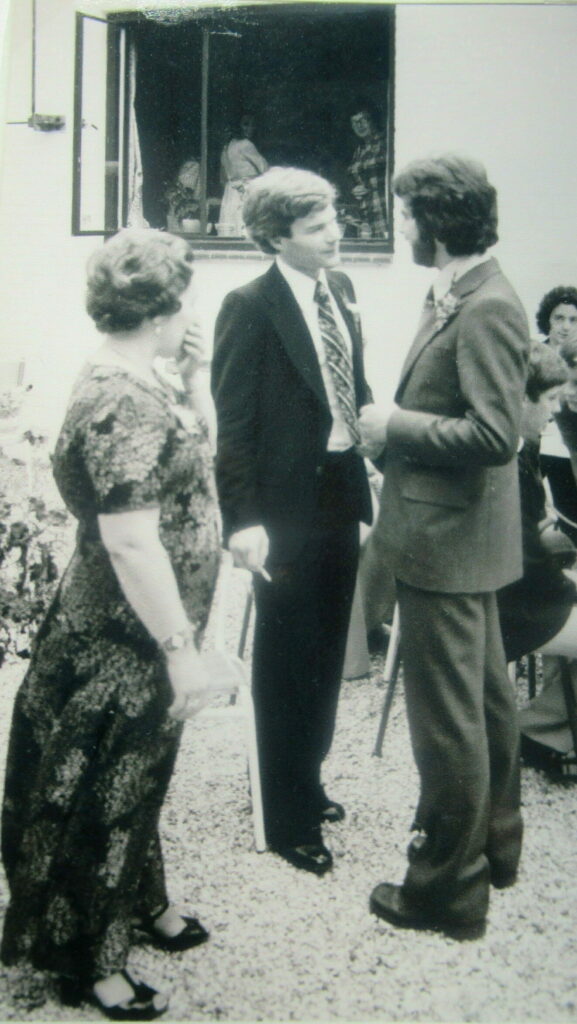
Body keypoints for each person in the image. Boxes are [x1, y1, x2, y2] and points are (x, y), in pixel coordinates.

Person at [1, 229, 221, 1019]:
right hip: (125, 635)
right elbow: (129, 542)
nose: (189, 315)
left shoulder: (139, 378)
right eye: (183, 302)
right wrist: (181, 650)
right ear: (160, 311)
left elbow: (199, 459)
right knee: (110, 786)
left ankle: (140, 900)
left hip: (141, 625)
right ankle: (89, 960)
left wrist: (194, 379)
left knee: (138, 771)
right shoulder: (121, 401)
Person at [359, 154, 530, 940]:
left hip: (445, 542)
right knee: (486, 705)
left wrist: (394, 425)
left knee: (447, 724)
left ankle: (446, 892)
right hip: (461, 537)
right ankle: (493, 849)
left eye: (406, 215)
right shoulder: (465, 291)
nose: (400, 227)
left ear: (435, 222)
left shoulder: (484, 305)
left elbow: (495, 436)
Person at [211, 166, 373, 874]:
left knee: (328, 649)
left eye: (333, 217)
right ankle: (282, 815)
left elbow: (352, 385)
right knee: (285, 658)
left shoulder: (341, 288)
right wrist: (242, 520)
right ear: (277, 237)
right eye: (316, 226)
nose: (335, 233)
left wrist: (371, 456)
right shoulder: (249, 307)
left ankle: (306, 779)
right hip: (280, 511)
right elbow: (234, 426)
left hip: (339, 492)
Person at [497, 341, 577, 780]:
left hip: (519, 596)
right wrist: (570, 585)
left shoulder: (516, 447)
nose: (555, 410)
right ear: (520, 398)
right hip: (515, 608)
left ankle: (550, 731)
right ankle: (541, 732)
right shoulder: (507, 459)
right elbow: (529, 566)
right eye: (549, 399)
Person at [537, 286, 577, 543]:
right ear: (547, 320)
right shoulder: (533, 355)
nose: (566, 326)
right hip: (536, 447)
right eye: (559, 318)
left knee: (570, 520)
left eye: (573, 319)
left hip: (565, 451)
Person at [217, 115, 268, 237]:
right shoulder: (245, 144)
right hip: (246, 189)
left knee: (233, 227)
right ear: (237, 126)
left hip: (231, 192)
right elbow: (264, 167)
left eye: (252, 125)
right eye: (246, 124)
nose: (250, 128)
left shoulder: (227, 146)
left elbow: (223, 177)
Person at [348, 102, 388, 240]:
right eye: (354, 122)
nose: (359, 125)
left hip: (384, 213)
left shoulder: (386, 143)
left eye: (363, 119)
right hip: (366, 216)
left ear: (372, 120)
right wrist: (355, 189)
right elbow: (359, 180)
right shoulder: (359, 151)